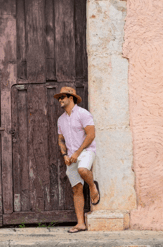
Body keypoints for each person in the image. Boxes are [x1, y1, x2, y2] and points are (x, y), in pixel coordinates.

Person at [54, 87, 100, 233]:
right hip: (71, 157)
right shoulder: (60, 120)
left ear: (71, 98)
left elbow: (91, 135)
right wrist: (65, 155)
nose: (60, 100)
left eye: (63, 97)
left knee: (83, 170)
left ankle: (92, 186)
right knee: (76, 188)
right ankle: (80, 223)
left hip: (86, 152)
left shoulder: (83, 114)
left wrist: (78, 153)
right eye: (59, 98)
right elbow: (60, 139)